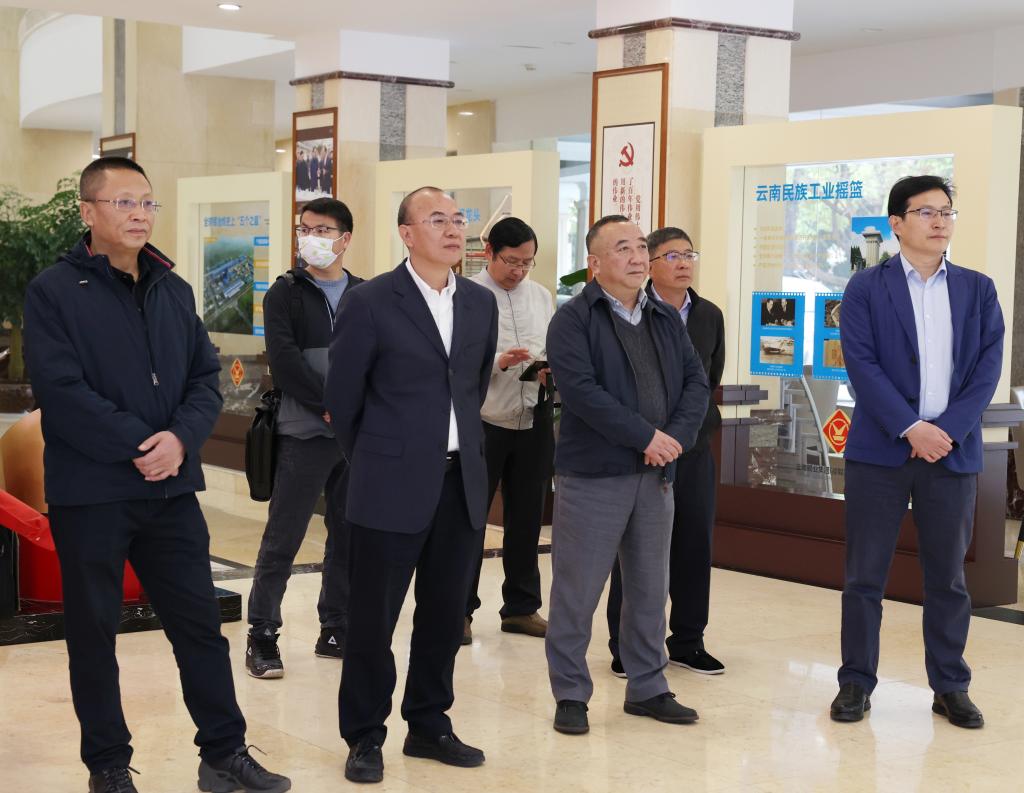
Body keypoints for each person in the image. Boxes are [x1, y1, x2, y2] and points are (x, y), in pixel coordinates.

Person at [23, 157, 289, 793]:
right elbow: (61, 391)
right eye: (124, 202)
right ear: (88, 212)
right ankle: (108, 766)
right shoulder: (54, 290)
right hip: (93, 492)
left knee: (200, 627)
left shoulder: (174, 288)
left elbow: (204, 378)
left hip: (170, 492)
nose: (140, 214)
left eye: (147, 202)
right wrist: (142, 444)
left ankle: (223, 754)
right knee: (94, 635)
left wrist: (180, 440)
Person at [325, 187, 498, 784]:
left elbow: (473, 385)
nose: (452, 230)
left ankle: (428, 724)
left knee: (445, 615)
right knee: (372, 619)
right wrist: (378, 459)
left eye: (458, 219)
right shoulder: (370, 301)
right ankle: (364, 735)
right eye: (436, 219)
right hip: (388, 482)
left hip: (461, 482)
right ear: (406, 233)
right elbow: (343, 398)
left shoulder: (479, 302)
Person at [830, 175, 1004, 729]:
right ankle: (855, 683)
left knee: (948, 578)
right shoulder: (865, 288)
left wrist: (943, 431)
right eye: (926, 212)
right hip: (880, 453)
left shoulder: (978, 289)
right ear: (896, 223)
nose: (940, 221)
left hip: (950, 453)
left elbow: (986, 370)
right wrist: (910, 428)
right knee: (865, 577)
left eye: (946, 212)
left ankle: (950, 685)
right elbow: (861, 365)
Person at [544, 215, 709, 736]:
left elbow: (696, 384)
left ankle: (648, 687)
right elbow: (582, 393)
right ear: (595, 263)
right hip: (595, 475)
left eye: (641, 246)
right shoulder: (573, 319)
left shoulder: (663, 316)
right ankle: (571, 693)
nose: (637, 257)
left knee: (649, 587)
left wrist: (674, 439)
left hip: (656, 474)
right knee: (578, 591)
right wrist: (646, 437)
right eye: (623, 248)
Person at [245, 197, 363, 679]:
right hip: (304, 432)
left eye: (322, 230)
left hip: (354, 437)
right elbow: (284, 360)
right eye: (305, 229)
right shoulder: (285, 292)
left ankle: (335, 626)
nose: (311, 237)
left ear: (345, 238)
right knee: (284, 537)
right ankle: (262, 632)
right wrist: (329, 405)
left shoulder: (365, 294)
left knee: (348, 535)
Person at [606, 226, 726, 677]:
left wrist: (681, 433)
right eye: (672, 256)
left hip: (692, 448)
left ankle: (688, 641)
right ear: (650, 264)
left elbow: (708, 379)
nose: (684, 264)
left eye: (689, 255)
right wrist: (651, 436)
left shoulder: (709, 315)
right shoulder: (633, 311)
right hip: (642, 448)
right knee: (637, 549)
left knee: (694, 544)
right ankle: (626, 643)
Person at [464, 216, 555, 643]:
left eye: (527, 262)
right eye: (511, 261)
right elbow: (453, 360)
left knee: (527, 518)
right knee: (470, 519)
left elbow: (551, 347)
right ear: (489, 252)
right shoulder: (465, 295)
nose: (519, 270)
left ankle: (521, 607)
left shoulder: (541, 296)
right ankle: (459, 609)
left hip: (533, 418)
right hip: (482, 421)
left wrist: (547, 369)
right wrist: (497, 363)